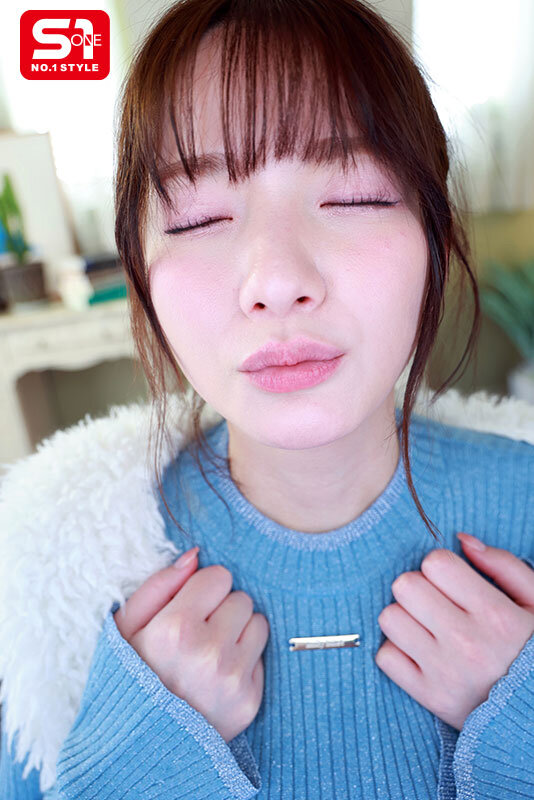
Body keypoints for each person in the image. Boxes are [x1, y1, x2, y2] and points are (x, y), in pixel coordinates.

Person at [1, 0, 533, 797]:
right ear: (138, 268)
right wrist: (130, 765)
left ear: (433, 233)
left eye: (353, 197)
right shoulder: (51, 565)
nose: (277, 281)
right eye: (199, 216)